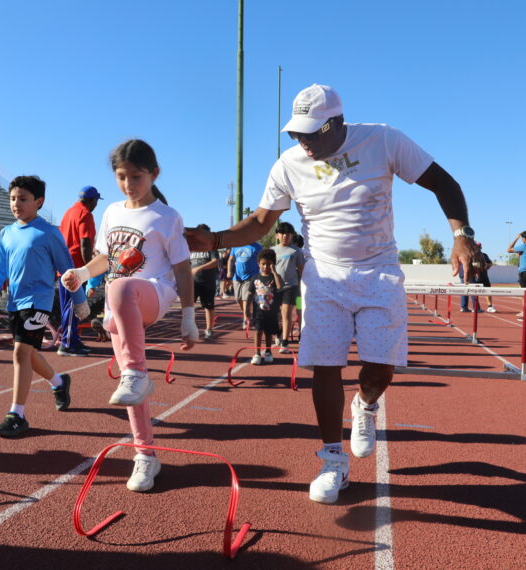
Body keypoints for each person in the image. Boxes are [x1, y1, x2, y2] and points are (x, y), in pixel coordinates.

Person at [185, 83, 480, 504]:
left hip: (379, 270)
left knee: (380, 368)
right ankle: (332, 462)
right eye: (295, 133)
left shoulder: (383, 139)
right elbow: (259, 221)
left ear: (337, 121)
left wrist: (461, 234)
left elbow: (444, 183)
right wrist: (214, 238)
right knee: (324, 365)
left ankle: (364, 404)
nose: (302, 142)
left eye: (311, 132)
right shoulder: (288, 164)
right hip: (323, 275)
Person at [61, 139, 197, 493]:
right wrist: (81, 272)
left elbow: (183, 269)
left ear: (154, 174)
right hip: (120, 302)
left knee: (121, 289)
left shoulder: (167, 217)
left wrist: (188, 316)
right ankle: (145, 454)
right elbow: (105, 260)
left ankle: (138, 372)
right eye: (121, 177)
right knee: (130, 388)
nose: (127, 184)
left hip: (153, 293)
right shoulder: (111, 213)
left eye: (135, 176)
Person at [0, 175, 89, 438]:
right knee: (30, 354)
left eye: (23, 199)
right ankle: (59, 382)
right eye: (13, 198)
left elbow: (67, 270)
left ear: (39, 202)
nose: (16, 204)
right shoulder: (6, 233)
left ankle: (17, 414)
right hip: (15, 302)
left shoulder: (48, 233)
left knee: (20, 354)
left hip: (39, 302)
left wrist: (80, 301)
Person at [56, 185, 102, 356]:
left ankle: (72, 339)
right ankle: (67, 343)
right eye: (96, 201)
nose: (96, 205)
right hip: (76, 268)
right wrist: (90, 268)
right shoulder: (85, 214)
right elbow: (85, 244)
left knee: (72, 306)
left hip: (65, 266)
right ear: (92, 200)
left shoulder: (69, 212)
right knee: (72, 306)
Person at [272, 221, 304, 352]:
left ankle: (285, 342)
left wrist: (302, 287)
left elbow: (302, 271)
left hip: (291, 287)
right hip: (274, 287)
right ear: (277, 236)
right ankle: (279, 334)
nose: (285, 236)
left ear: (292, 236)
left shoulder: (297, 251)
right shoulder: (272, 250)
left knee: (288, 313)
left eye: (289, 233)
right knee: (275, 315)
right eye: (283, 233)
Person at [249, 248, 283, 365]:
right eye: (263, 264)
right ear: (259, 264)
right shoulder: (255, 278)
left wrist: (274, 272)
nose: (266, 267)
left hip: (271, 312)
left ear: (273, 264)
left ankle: (268, 352)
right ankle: (257, 353)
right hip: (258, 311)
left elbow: (279, 287)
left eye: (269, 264)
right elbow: (249, 295)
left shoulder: (275, 277)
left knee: (268, 333)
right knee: (258, 331)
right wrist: (246, 311)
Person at [190, 223, 219, 340]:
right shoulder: (191, 248)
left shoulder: (211, 247)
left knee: (208, 306)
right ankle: (191, 329)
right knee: (189, 306)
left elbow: (215, 262)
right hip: (193, 281)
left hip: (207, 281)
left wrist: (199, 268)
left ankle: (209, 330)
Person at [228, 240, 262, 328]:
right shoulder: (236, 246)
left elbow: (262, 260)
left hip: (251, 276)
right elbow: (231, 259)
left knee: (245, 298)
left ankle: (246, 319)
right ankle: (247, 314)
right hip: (237, 277)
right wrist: (229, 271)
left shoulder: (257, 246)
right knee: (238, 298)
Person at [459, 242, 494, 313]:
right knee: (473, 291)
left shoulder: (466, 253)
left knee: (465, 290)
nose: (478, 248)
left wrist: (485, 266)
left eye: (479, 247)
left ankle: (464, 307)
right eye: (477, 247)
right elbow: (475, 265)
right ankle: (476, 308)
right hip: (469, 273)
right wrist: (478, 271)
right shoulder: (474, 254)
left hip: (464, 273)